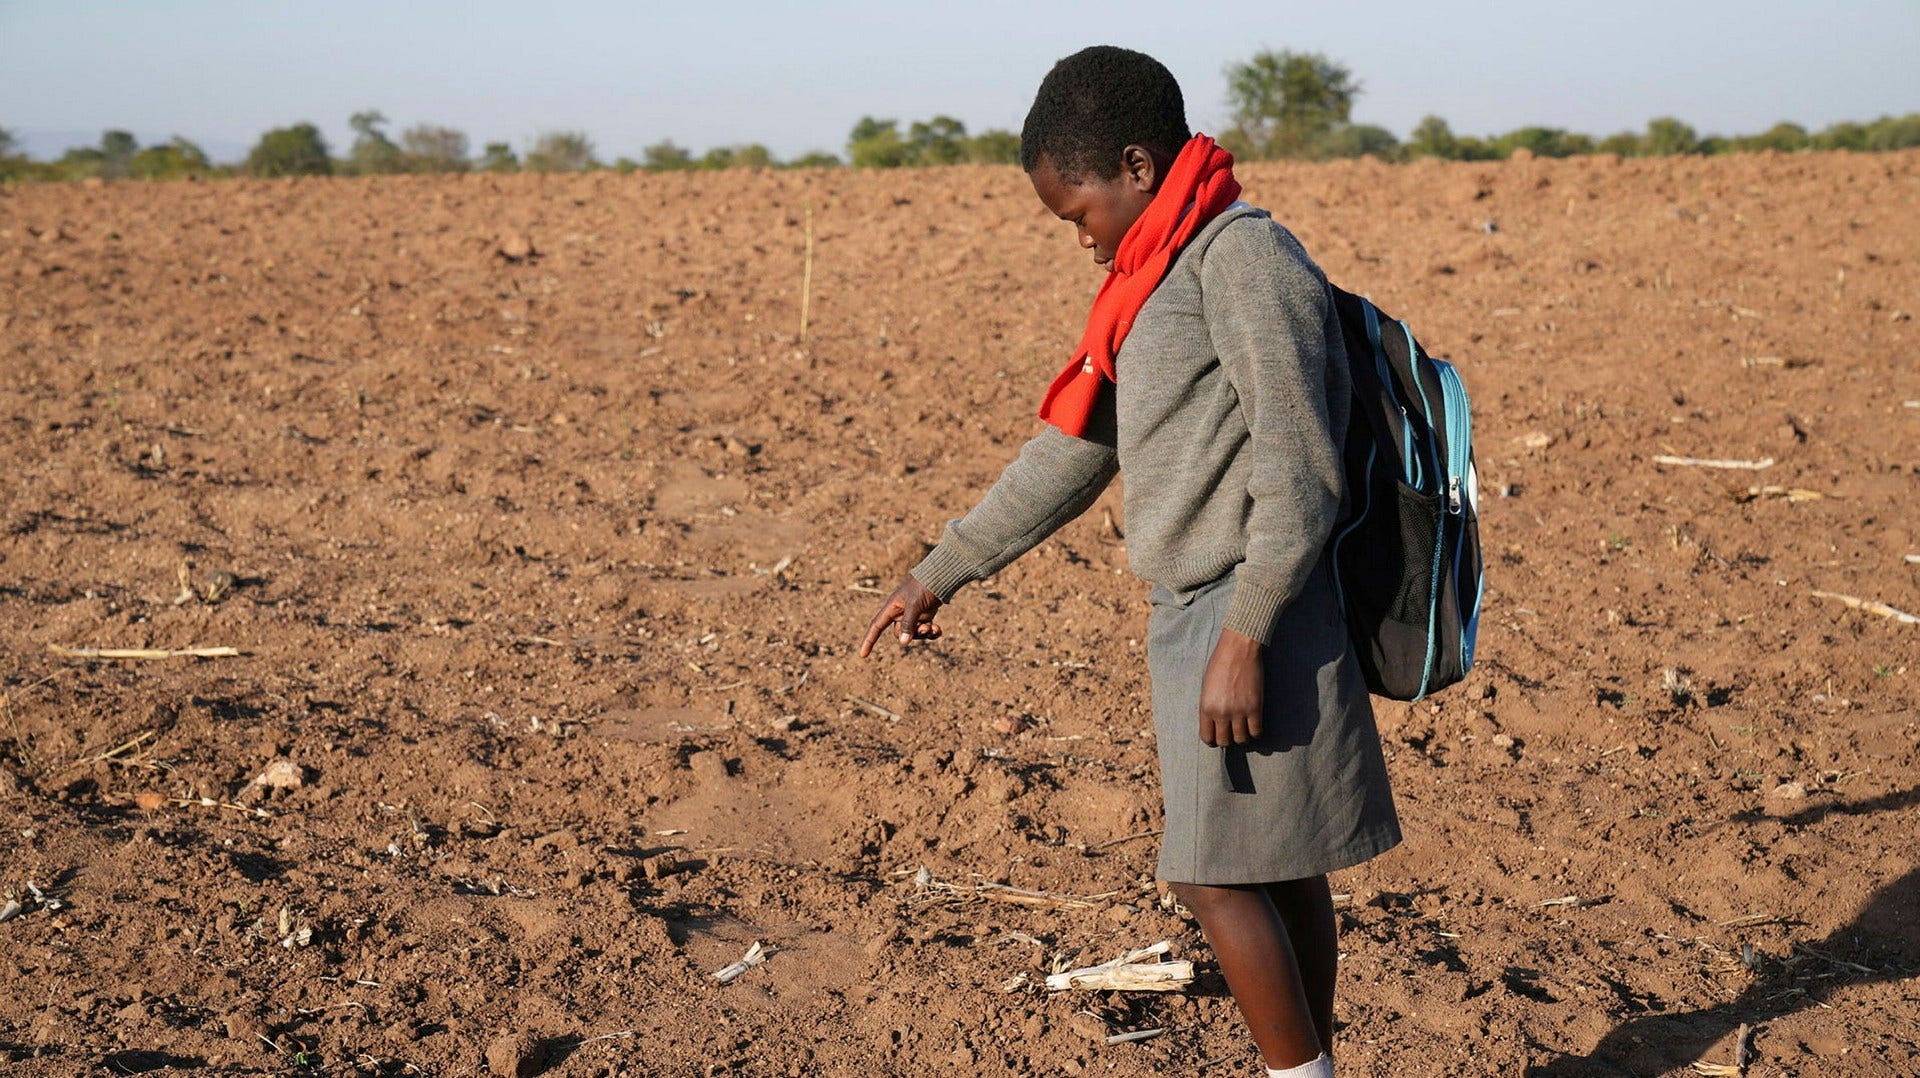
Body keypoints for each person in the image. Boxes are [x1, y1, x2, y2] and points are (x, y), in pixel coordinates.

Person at [858, 45, 1400, 1078]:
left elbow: (1301, 466)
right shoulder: (1154, 274)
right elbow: (1078, 447)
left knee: (1210, 875)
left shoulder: (1242, 260)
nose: (1082, 241)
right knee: (1272, 869)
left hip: (1257, 608)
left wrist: (1244, 637)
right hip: (1204, 609)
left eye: (1080, 213)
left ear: (1140, 167)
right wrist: (942, 567)